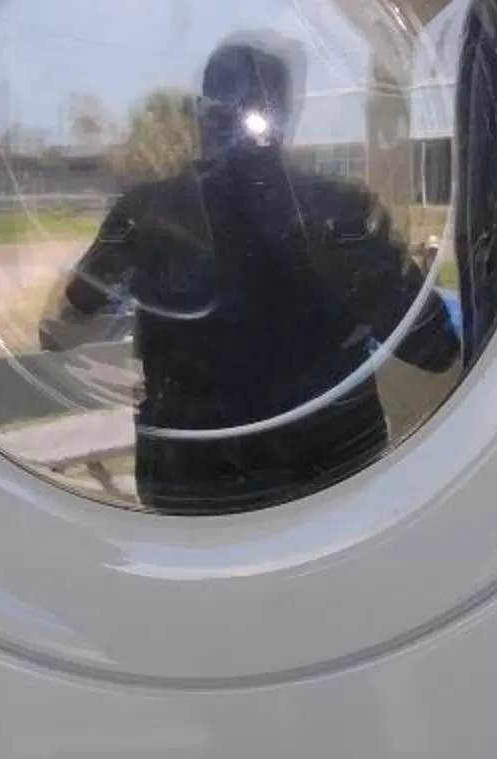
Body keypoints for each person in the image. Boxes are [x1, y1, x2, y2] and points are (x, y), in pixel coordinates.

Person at [39, 33, 461, 514]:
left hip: (191, 482)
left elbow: (57, 333)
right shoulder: (341, 214)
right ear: (285, 118)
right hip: (332, 475)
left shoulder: (145, 214)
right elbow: (435, 348)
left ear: (200, 115)